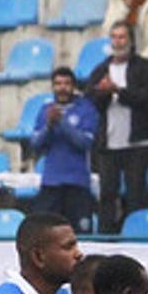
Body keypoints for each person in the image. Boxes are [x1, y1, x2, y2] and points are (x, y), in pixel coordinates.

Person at [86, 21, 148, 234]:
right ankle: (107, 238)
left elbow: (147, 98)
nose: (118, 42)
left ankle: (137, 235)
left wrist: (118, 90)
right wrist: (103, 93)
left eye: (122, 37)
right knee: (107, 193)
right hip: (108, 143)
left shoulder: (144, 67)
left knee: (136, 193)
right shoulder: (100, 70)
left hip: (137, 141)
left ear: (131, 40)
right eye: (114, 37)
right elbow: (91, 102)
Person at [30, 66, 99, 232]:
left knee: (80, 236)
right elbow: (35, 144)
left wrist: (62, 122)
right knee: (46, 236)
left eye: (66, 83)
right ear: (53, 86)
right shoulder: (45, 110)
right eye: (58, 84)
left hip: (77, 183)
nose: (62, 88)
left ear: (73, 86)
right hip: (51, 183)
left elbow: (85, 143)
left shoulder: (86, 109)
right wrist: (49, 125)